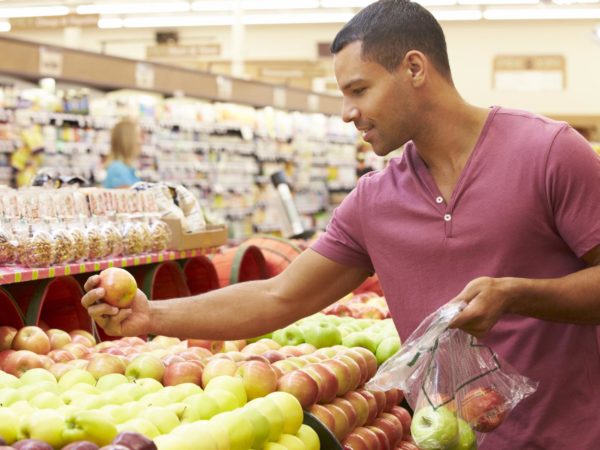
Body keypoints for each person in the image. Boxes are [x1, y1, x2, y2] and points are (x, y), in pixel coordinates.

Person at [82, 1, 600, 448]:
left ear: (415, 68)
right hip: (446, 440)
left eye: (359, 89)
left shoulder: (548, 153)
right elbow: (278, 297)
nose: (347, 113)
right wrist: (150, 316)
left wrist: (517, 294)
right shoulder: (376, 201)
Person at [103, 117, 142, 188]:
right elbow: (127, 197)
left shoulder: (125, 167)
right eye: (137, 136)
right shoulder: (118, 169)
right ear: (128, 140)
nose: (140, 141)